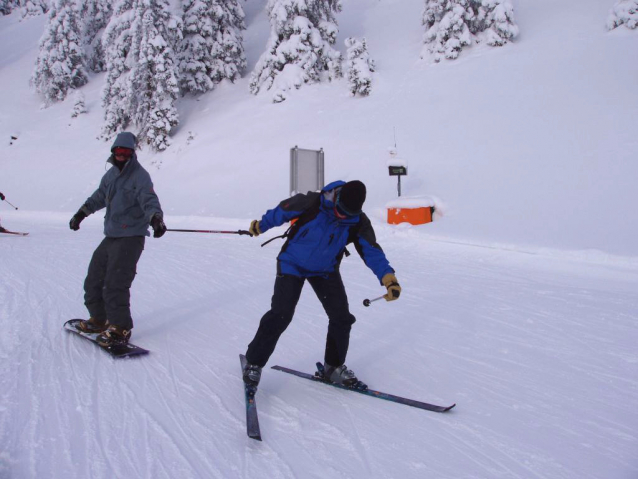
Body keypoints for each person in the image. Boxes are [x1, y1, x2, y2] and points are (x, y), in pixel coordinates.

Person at [242, 180, 401, 389]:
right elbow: (282, 210)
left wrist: (388, 278)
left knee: (342, 318)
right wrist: (260, 226)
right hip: (292, 263)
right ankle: (254, 362)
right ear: (337, 198)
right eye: (341, 210)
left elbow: (372, 251)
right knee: (281, 313)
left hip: (325, 270)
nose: (343, 216)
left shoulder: (357, 221)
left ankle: (333, 367)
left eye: (349, 213)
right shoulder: (313, 202)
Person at [69, 132, 167, 346]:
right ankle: (99, 319)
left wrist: (156, 218)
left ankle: (120, 327)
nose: (121, 155)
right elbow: (98, 197)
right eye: (118, 151)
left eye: (126, 151)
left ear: (132, 153)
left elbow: (148, 199)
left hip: (131, 237)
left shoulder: (140, 176)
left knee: (116, 283)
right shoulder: (111, 175)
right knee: (94, 278)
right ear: (113, 152)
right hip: (112, 235)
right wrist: (81, 213)